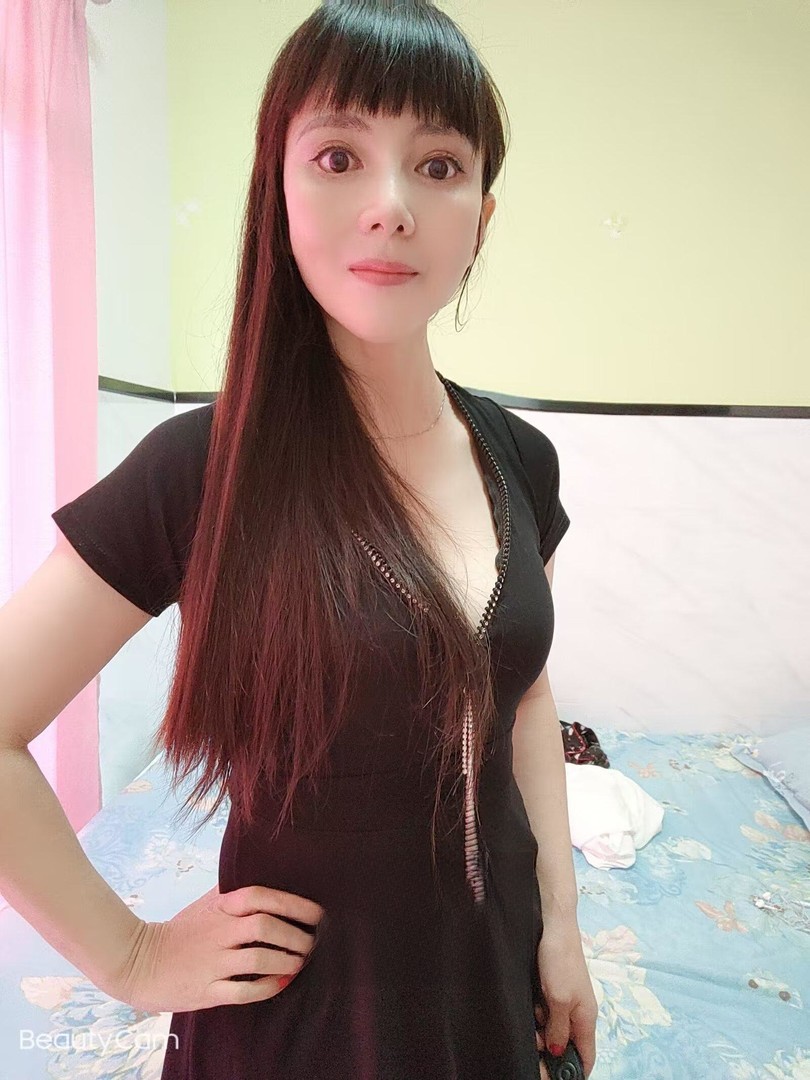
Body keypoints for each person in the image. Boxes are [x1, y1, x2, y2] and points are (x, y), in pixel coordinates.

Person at [0, 0, 598, 1077]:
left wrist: (561, 922)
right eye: (337, 157)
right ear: (276, 193)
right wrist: (131, 956)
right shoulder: (202, 468)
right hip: (308, 1021)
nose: (390, 207)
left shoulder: (523, 458)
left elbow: (522, 694)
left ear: (480, 217)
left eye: (438, 166)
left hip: (494, 981)